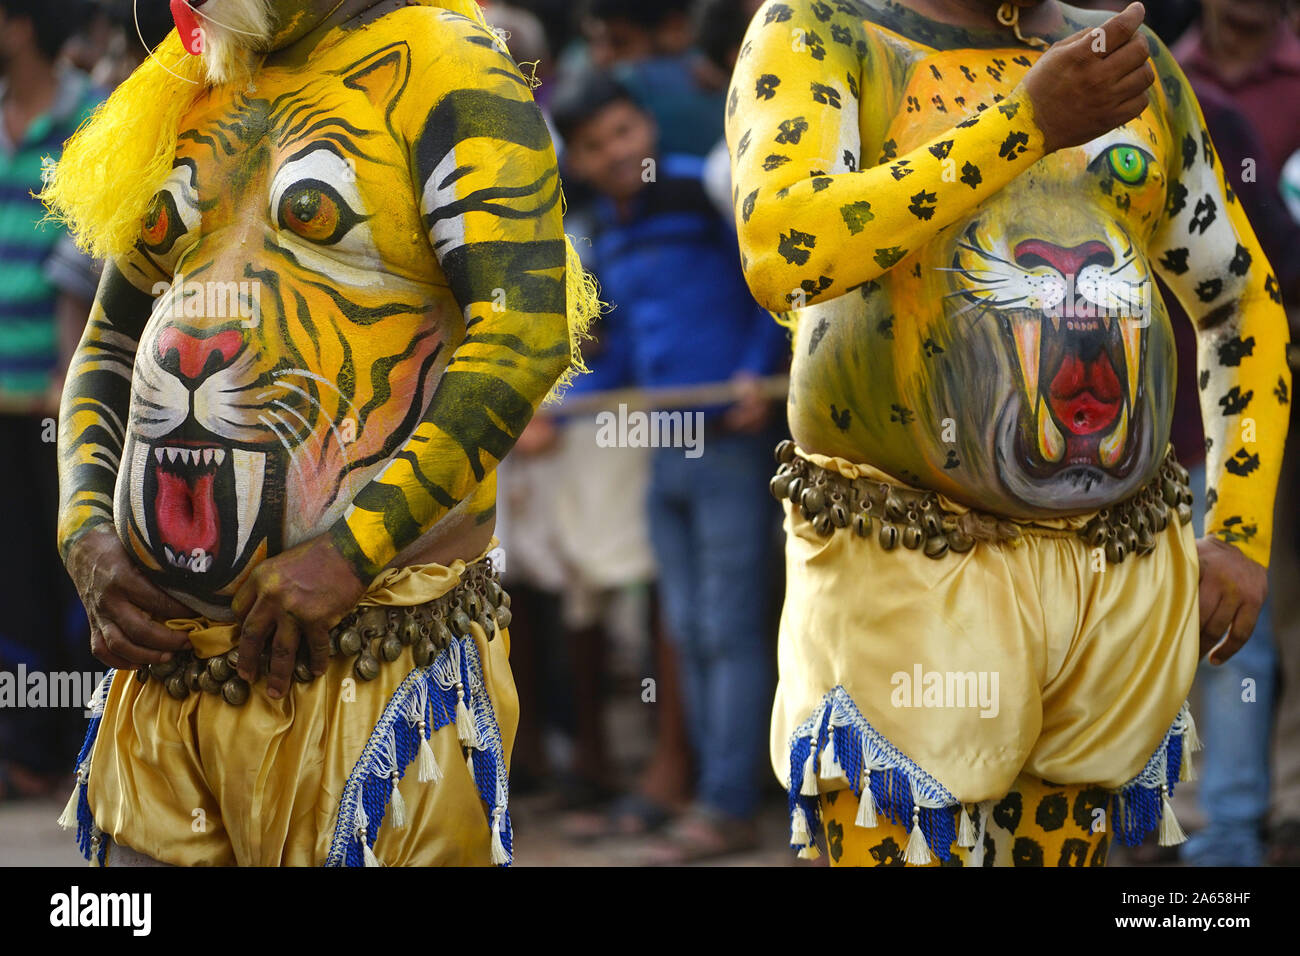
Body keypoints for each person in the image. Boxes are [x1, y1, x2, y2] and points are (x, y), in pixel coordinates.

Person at [728, 0, 1290, 865]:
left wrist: (1242, 529)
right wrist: (1027, 122)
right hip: (905, 578)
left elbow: (1241, 304)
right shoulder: (821, 28)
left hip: (1112, 581)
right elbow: (784, 251)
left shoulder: (1127, 61)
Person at [42, 0, 597, 866]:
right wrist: (84, 529)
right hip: (162, 688)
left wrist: (349, 550)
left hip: (373, 686)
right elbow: (109, 340)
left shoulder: (448, 63)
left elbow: (524, 330)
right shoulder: (193, 75)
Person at [552, 71, 789, 862]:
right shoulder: (605, 233)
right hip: (666, 446)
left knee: (727, 626)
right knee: (686, 628)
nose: (616, 152)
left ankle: (729, 804)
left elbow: (771, 287)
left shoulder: (705, 193)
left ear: (646, 129)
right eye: (595, 145)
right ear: (579, 162)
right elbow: (614, 355)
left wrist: (762, 368)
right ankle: (709, 793)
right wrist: (546, 406)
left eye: (624, 132)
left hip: (729, 440)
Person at [0, 0, 103, 804]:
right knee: (18, 580)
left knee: (81, 569)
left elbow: (94, 250)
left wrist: (71, 380)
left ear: (18, 24)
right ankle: (31, 750)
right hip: (2, 395)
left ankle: (88, 747)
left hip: (59, 398)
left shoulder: (92, 118)